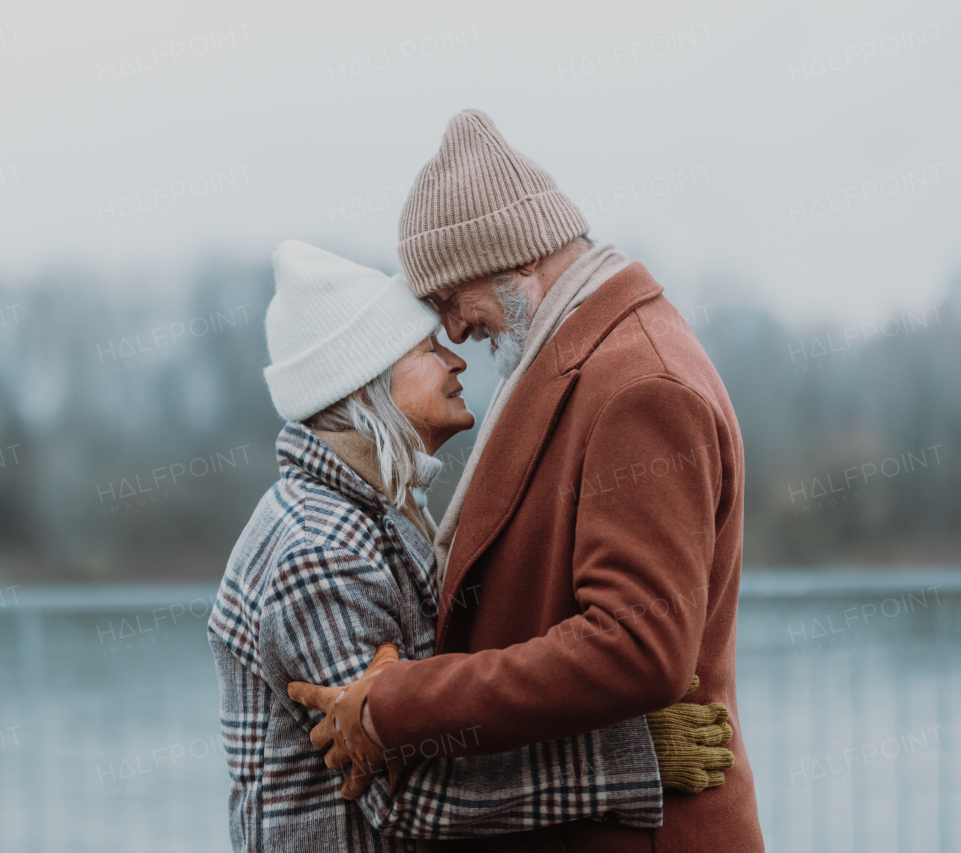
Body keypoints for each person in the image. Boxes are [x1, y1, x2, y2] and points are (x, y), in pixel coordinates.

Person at [289, 110, 765, 852]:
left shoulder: (639, 383)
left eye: (450, 296)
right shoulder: (574, 360)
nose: (451, 330)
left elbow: (638, 644)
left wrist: (401, 703)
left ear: (508, 257)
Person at [207, 239, 734, 852]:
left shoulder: (367, 517)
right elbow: (405, 791)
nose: (456, 360)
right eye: (426, 350)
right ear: (362, 391)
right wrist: (627, 761)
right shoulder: (318, 552)